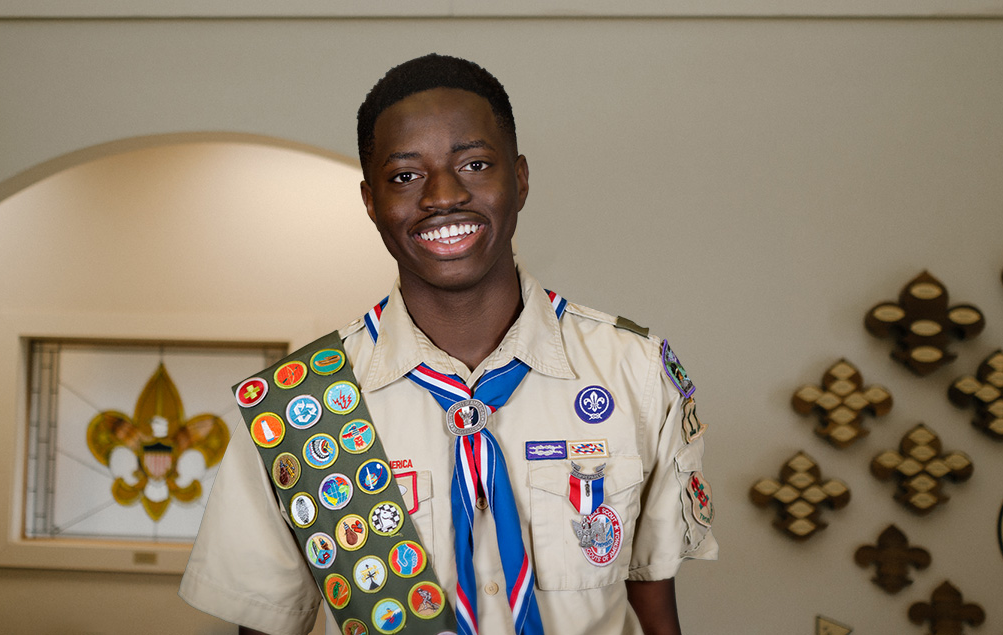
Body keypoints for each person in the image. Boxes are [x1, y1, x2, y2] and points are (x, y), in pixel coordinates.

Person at [179, 53, 717, 635]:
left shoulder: (634, 370)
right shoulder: (292, 407)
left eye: (475, 164)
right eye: (405, 176)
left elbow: (651, 591)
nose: (441, 195)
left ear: (522, 178)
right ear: (369, 202)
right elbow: (266, 624)